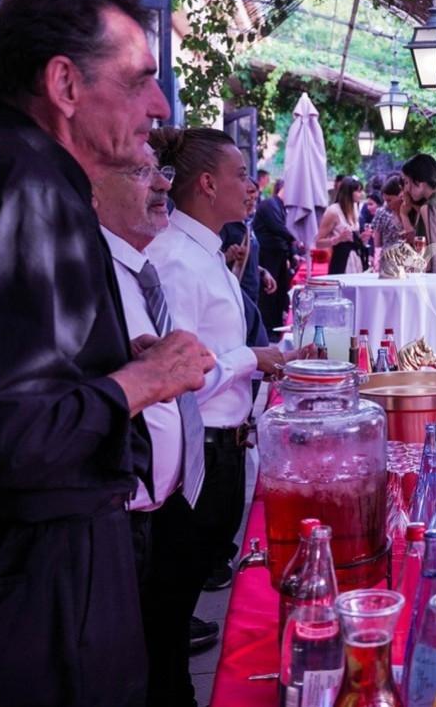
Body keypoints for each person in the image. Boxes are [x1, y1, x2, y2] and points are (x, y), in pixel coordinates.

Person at [0, 0, 214, 707]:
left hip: (3, 566)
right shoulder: (27, 188)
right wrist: (143, 382)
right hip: (46, 576)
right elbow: (11, 430)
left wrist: (109, 367)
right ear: (65, 85)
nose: (159, 103)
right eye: (140, 78)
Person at [146, 126, 289, 706]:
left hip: (222, 449)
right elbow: (177, 378)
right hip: (193, 455)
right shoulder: (177, 258)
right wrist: (251, 358)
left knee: (175, 612)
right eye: (239, 175)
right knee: (165, 617)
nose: (251, 186)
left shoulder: (207, 251)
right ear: (206, 184)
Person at [90, 143, 224, 693]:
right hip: (117, 518)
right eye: (143, 171)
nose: (163, 184)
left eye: (161, 170)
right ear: (92, 190)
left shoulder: (135, 269)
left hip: (154, 506)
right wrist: (153, 374)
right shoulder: (90, 272)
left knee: (161, 655)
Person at [222, 178, 275, 347]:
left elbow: (250, 259)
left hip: (253, 293)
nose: (252, 199)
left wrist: (262, 272)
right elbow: (209, 260)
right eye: (248, 193)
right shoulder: (226, 226)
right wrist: (227, 256)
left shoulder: (247, 225)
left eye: (254, 194)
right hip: (237, 295)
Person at [255, 177, 301, 335]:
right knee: (269, 292)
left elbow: (285, 232)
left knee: (280, 291)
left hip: (280, 254)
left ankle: (275, 326)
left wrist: (293, 253)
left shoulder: (281, 207)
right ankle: (268, 328)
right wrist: (296, 238)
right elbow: (279, 228)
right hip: (268, 254)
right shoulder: (269, 205)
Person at [316, 176, 367, 274]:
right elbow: (318, 243)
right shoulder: (333, 211)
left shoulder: (355, 208)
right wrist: (338, 239)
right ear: (348, 192)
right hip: (341, 260)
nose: (360, 194)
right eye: (357, 191)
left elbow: (352, 238)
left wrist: (362, 238)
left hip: (356, 258)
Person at [372, 174, 407, 252]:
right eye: (385, 201)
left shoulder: (411, 213)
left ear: (401, 196)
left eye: (389, 200)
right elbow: (377, 244)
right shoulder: (382, 213)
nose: (387, 204)